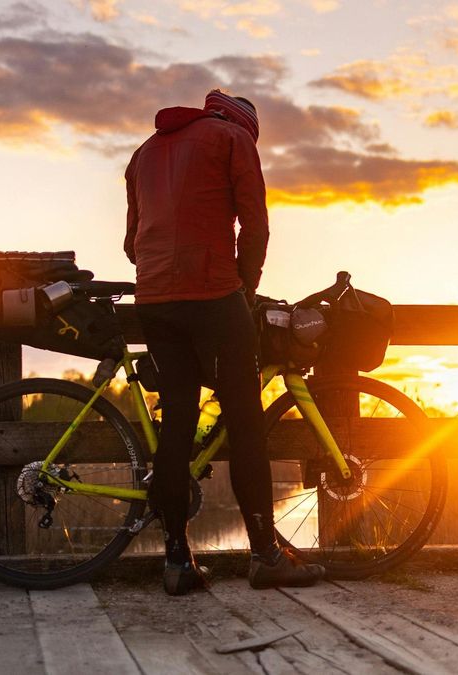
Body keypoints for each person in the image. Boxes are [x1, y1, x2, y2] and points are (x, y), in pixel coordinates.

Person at [124, 90, 326, 595]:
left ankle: (177, 562)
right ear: (245, 124)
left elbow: (131, 243)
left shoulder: (144, 152)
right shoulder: (233, 138)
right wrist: (245, 288)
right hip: (213, 293)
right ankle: (265, 554)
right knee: (245, 421)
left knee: (177, 421)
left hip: (153, 300)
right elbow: (254, 224)